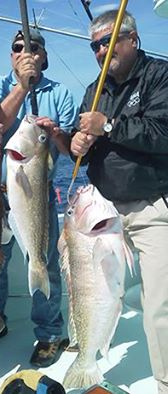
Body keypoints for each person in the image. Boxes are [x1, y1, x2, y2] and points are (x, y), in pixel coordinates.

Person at [70, 9, 168, 394]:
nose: (99, 51)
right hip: (101, 214)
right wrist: (77, 143)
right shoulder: (95, 90)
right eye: (94, 45)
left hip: (150, 209)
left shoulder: (160, 76)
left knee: (160, 304)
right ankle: (89, 358)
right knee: (92, 295)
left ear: (132, 39)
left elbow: (163, 134)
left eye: (106, 42)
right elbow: (87, 143)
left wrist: (108, 125)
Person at [0, 27, 78, 367]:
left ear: (44, 56)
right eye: (18, 47)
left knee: (44, 262)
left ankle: (51, 333)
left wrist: (56, 133)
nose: (25, 52)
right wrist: (22, 86)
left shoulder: (61, 93)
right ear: (11, 55)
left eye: (33, 48)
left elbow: (68, 151)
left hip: (37, 196)